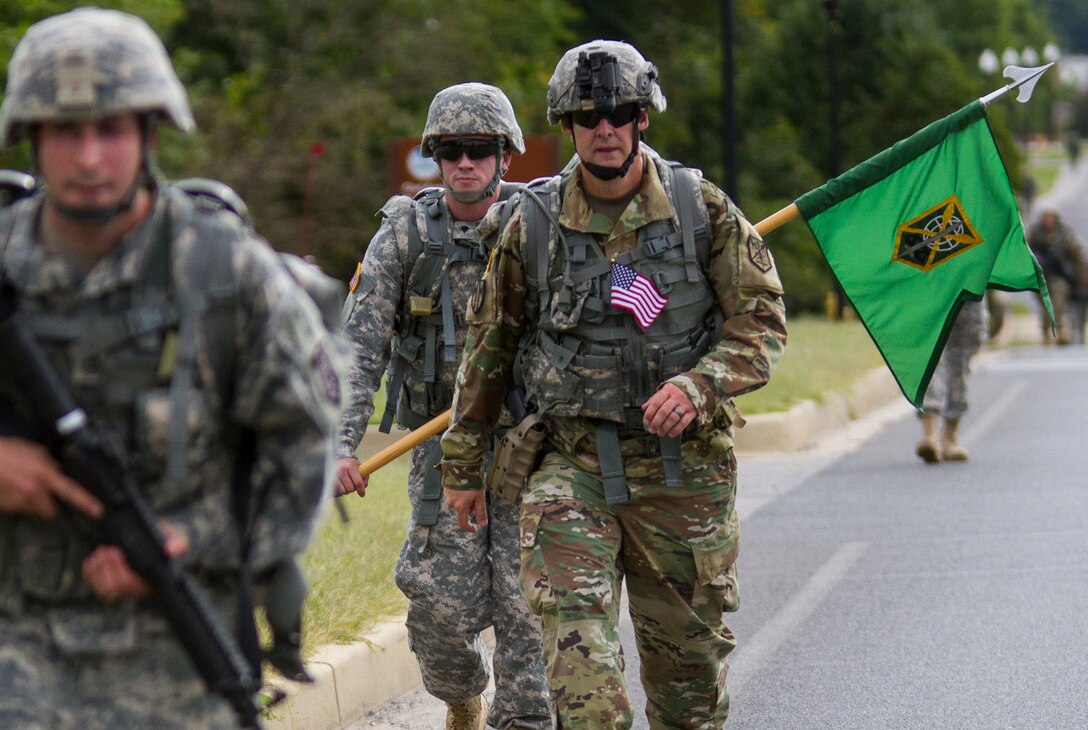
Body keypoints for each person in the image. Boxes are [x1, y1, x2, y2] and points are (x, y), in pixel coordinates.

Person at [0, 8, 347, 728]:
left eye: (111, 129)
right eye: (66, 131)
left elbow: (300, 455)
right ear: (31, 137)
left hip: (178, 656)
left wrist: (188, 536)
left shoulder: (228, 276)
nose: (89, 158)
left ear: (150, 134)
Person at [440, 40, 788, 729]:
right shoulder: (531, 224)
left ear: (642, 118)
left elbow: (762, 324)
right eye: (588, 114)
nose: (605, 128)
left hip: (682, 478)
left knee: (689, 699)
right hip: (570, 468)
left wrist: (699, 385)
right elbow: (490, 347)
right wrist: (462, 464)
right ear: (567, 124)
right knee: (583, 689)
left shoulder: (700, 209)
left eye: (620, 112)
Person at [334, 83, 551, 730]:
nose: (464, 163)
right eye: (450, 150)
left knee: (526, 613)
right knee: (437, 609)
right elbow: (359, 345)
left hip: (531, 449)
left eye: (479, 150)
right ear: (433, 156)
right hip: (439, 447)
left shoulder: (543, 224)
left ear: (505, 157)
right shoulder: (405, 233)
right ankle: (462, 696)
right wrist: (341, 443)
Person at [915, 300, 988, 463]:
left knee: (958, 359)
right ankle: (932, 434)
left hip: (967, 286)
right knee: (932, 355)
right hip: (933, 283)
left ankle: (947, 436)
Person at [1026, 208, 1084, 344]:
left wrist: (1081, 274)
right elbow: (1025, 252)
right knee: (1044, 304)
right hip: (1040, 277)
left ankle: (1061, 330)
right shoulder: (1036, 234)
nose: (1049, 221)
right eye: (1046, 218)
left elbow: (1077, 254)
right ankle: (1046, 332)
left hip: (1058, 276)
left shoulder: (1064, 235)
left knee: (1057, 300)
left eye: (1051, 218)